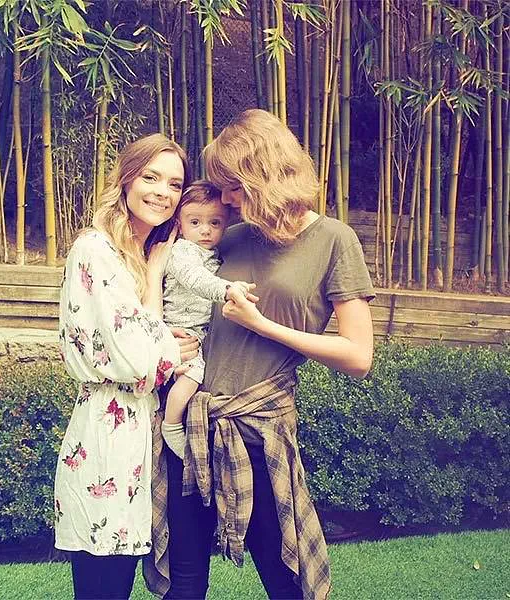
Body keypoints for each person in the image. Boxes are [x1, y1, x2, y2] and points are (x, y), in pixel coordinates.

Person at [143, 109, 374, 600]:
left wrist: (263, 325)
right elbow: (168, 283)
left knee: (284, 575)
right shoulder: (227, 236)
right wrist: (165, 336)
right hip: (192, 420)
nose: (225, 200)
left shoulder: (333, 240)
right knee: (184, 580)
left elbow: (358, 356)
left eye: (233, 187)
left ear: (264, 176)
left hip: (260, 427)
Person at [54, 133, 200, 600]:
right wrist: (168, 349)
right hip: (107, 433)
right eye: (151, 177)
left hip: (138, 433)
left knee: (118, 577)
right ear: (126, 179)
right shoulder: (96, 250)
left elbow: (148, 340)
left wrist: (155, 279)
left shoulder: (139, 254)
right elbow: (137, 359)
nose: (163, 192)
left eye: (174, 184)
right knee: (103, 583)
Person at [159, 181, 256, 459]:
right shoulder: (182, 251)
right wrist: (227, 289)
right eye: (195, 222)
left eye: (215, 223)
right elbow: (195, 279)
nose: (205, 230)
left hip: (199, 332)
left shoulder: (213, 253)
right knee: (193, 374)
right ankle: (171, 424)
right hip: (182, 329)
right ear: (179, 224)